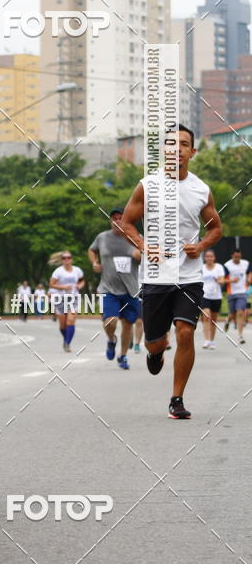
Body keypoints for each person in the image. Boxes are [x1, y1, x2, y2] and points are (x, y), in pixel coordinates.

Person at [122, 124, 222, 419]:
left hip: (189, 276)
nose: (176, 148)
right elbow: (126, 223)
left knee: (186, 331)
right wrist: (143, 245)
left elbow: (216, 229)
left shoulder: (201, 190)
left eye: (183, 144)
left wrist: (200, 246)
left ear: (192, 152)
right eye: (170, 144)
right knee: (155, 341)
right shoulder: (147, 185)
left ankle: (176, 399)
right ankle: (155, 351)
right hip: (156, 276)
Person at [88, 206, 142, 370]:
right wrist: (94, 262)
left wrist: (139, 254)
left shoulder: (135, 237)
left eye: (121, 218)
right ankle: (111, 340)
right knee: (110, 321)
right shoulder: (102, 237)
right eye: (114, 218)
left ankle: (123, 356)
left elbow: (146, 253)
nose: (117, 221)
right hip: (108, 289)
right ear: (111, 221)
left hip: (130, 289)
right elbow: (92, 250)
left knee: (128, 324)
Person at [49, 252, 84, 352]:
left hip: (73, 298)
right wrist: (63, 287)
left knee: (70, 321)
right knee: (63, 325)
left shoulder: (77, 270)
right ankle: (66, 339)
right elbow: (52, 284)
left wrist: (79, 286)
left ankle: (67, 343)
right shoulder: (58, 271)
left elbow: (82, 281)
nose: (67, 260)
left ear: (72, 259)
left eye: (69, 257)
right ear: (62, 260)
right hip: (60, 299)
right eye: (64, 258)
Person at [223, 249, 250, 344]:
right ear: (232, 256)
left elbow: (250, 272)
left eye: (239, 256)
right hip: (231, 292)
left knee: (240, 312)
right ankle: (227, 320)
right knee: (232, 313)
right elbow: (222, 279)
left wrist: (249, 278)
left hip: (242, 292)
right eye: (236, 257)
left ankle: (240, 335)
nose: (237, 258)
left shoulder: (245, 263)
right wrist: (231, 281)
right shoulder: (227, 265)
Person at [201, 250, 225, 349]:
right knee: (206, 316)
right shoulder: (202, 268)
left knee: (213, 320)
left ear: (214, 258)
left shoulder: (219, 267)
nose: (209, 258)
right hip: (205, 296)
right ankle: (206, 340)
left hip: (216, 297)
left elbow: (222, 281)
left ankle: (212, 340)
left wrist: (218, 280)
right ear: (205, 258)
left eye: (211, 256)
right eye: (207, 256)